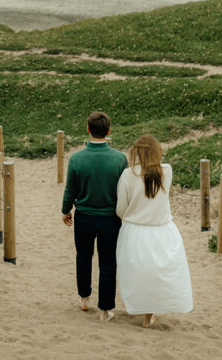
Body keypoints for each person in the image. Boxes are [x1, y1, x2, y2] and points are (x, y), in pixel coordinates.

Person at [115, 133, 193, 328]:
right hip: (162, 230)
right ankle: (149, 315)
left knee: (138, 274)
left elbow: (120, 209)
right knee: (158, 273)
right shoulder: (166, 171)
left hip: (135, 231)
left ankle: (144, 312)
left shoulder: (128, 174)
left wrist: (131, 216)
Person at [61, 111, 128, 322]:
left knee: (83, 257)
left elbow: (70, 190)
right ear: (109, 131)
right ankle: (105, 309)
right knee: (108, 263)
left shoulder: (76, 158)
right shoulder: (120, 159)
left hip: (84, 217)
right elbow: (124, 191)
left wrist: (65, 210)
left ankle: (84, 298)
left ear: (88, 129)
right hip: (110, 219)